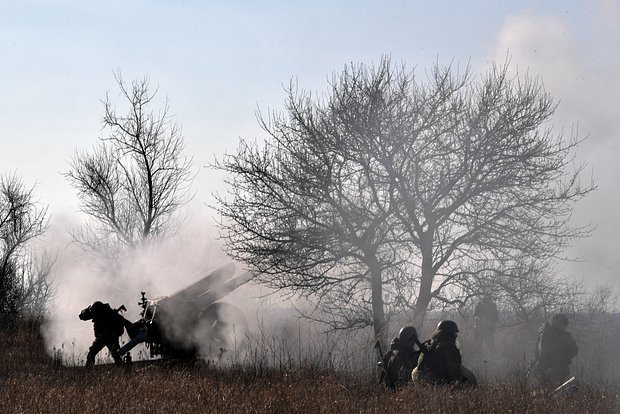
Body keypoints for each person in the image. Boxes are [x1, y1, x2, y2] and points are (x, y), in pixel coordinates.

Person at [411, 320, 477, 387]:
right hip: (438, 384)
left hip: (422, 383)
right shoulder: (449, 347)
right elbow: (455, 372)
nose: (456, 336)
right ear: (449, 334)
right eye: (454, 333)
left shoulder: (429, 344)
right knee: (470, 381)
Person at [532, 313, 578, 387]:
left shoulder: (564, 335)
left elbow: (574, 350)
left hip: (558, 369)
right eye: (562, 324)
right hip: (548, 370)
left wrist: (565, 357)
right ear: (557, 324)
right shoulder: (546, 335)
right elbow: (542, 353)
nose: (564, 327)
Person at [79, 301, 129, 367]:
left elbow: (125, 322)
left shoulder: (110, 313)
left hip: (111, 338)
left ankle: (123, 369)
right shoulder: (94, 310)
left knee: (116, 354)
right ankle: (88, 369)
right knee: (92, 353)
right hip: (101, 338)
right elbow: (82, 316)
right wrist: (86, 312)